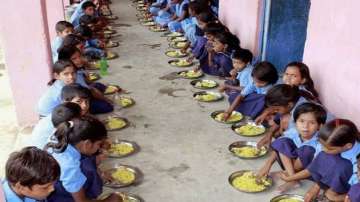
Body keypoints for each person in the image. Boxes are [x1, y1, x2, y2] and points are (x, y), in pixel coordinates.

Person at [279, 119, 359, 202]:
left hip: (351, 186)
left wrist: (337, 198)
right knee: (323, 155)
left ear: (348, 146)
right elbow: (314, 166)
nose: (323, 149)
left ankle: (334, 194)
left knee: (338, 164)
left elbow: (357, 191)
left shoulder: (356, 159)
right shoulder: (328, 145)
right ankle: (329, 190)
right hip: (340, 172)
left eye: (329, 148)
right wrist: (292, 178)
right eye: (322, 145)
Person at [46, 116, 121, 202]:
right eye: (99, 144)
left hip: (56, 182)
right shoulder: (70, 166)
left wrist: (101, 173)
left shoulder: (62, 135)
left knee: (89, 162)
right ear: (87, 144)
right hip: (56, 197)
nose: (100, 148)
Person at [257, 103, 327, 193]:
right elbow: (279, 147)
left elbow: (314, 168)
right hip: (294, 164)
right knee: (281, 141)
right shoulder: (294, 131)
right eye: (301, 121)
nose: (305, 126)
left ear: (320, 126)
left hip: (310, 170)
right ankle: (292, 177)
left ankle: (291, 177)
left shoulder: (321, 142)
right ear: (295, 122)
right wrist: (267, 165)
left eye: (312, 123)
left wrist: (289, 178)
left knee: (306, 150)